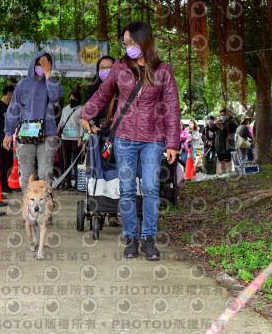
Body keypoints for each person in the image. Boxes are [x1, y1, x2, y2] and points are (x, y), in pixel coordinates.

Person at [80, 21, 181, 260]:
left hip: (153, 139)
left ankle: (148, 238)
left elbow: (172, 108)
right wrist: (86, 114)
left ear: (144, 41)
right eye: (125, 43)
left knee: (149, 188)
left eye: (132, 42)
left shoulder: (163, 70)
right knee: (125, 190)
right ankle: (131, 238)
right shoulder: (120, 67)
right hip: (124, 136)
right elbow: (104, 92)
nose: (128, 47)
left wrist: (173, 143)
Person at [3, 51, 63, 187]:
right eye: (38, 63)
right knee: (26, 175)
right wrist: (8, 133)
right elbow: (14, 109)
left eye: (45, 64)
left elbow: (54, 97)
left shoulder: (54, 83)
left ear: (50, 65)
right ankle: (28, 207)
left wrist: (48, 76)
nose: (41, 66)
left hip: (49, 134)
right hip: (26, 133)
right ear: (32, 64)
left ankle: (44, 207)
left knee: (45, 175)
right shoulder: (22, 84)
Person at [85, 55, 120, 227]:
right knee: (99, 169)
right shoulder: (92, 90)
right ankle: (100, 209)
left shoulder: (123, 88)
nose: (105, 70)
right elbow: (86, 115)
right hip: (98, 136)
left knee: (117, 169)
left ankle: (113, 212)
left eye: (110, 67)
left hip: (119, 136)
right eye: (102, 67)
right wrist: (91, 127)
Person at [0, 84, 15, 193]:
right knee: (1, 163)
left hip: (9, 137)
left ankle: (6, 184)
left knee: (9, 162)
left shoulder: (11, 107)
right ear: (9, 93)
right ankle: (1, 186)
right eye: (13, 93)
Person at [58, 90, 83, 190]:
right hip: (65, 138)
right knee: (66, 161)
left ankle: (77, 183)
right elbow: (62, 121)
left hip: (76, 138)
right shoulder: (65, 109)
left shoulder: (81, 109)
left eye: (74, 98)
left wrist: (81, 137)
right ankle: (67, 182)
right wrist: (59, 126)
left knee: (76, 162)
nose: (71, 99)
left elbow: (82, 124)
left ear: (78, 99)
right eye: (70, 97)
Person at [214, 107, 237, 174]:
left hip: (227, 147)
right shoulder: (221, 122)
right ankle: (223, 174)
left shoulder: (232, 123)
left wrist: (222, 128)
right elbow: (212, 129)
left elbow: (230, 134)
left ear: (228, 115)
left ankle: (228, 175)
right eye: (221, 115)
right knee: (221, 162)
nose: (222, 117)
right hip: (220, 147)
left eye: (224, 115)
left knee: (227, 162)